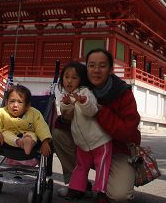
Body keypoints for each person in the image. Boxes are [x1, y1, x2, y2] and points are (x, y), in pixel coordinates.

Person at [53, 49, 141, 203]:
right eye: (91, 65)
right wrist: (66, 118)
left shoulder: (122, 92)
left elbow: (128, 131)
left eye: (102, 66)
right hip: (86, 144)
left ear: (111, 69)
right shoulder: (80, 87)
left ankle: (104, 187)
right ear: (86, 68)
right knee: (58, 133)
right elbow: (76, 123)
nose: (96, 70)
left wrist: (100, 111)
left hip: (117, 148)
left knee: (119, 196)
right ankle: (79, 185)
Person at [58, 61, 112, 201]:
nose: (69, 81)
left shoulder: (85, 92)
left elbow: (92, 111)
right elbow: (66, 115)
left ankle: (101, 192)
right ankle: (76, 189)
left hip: (100, 139)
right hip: (82, 142)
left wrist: (83, 102)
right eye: (66, 77)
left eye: (74, 78)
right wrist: (66, 104)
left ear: (81, 79)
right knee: (81, 165)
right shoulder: (66, 95)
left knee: (102, 166)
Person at [0, 84, 51, 156]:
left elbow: (41, 126)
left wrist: (45, 142)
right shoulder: (0, 112)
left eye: (20, 102)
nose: (15, 105)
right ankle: (20, 142)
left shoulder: (34, 113)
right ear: (6, 102)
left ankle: (28, 142)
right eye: (12, 101)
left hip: (28, 133)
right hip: (8, 140)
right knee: (5, 134)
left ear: (27, 106)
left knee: (32, 135)